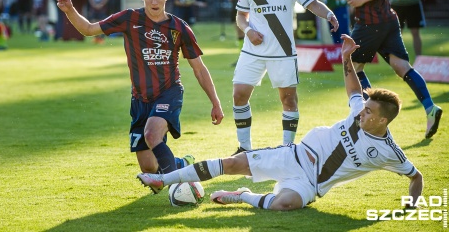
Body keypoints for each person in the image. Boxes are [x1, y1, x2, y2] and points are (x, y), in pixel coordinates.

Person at [138, 34, 424, 211]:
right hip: (294, 156)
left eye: (369, 112)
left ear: (384, 120)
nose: (362, 112)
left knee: (284, 204)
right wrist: (346, 58)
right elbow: (353, 90)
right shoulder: (358, 111)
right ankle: (161, 179)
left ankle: (243, 197)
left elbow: (416, 176)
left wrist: (411, 206)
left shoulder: (389, 151)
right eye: (364, 108)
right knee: (232, 163)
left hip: (309, 184)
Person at [56, 0, 224, 191]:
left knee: (152, 133)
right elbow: (88, 29)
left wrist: (215, 102)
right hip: (140, 100)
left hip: (169, 92)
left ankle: (179, 188)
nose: (154, 2)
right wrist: (70, 10)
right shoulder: (129, 18)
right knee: (149, 168)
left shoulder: (179, 27)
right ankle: (181, 165)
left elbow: (199, 69)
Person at [332, 0, 442, 139]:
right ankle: (430, 108)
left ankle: (369, 119)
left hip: (370, 23)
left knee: (352, 66)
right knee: (401, 67)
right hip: (387, 21)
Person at [232, 0, 339, 154]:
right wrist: (249, 30)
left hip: (282, 50)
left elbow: (312, 3)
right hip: (253, 49)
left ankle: (287, 148)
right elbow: (240, 17)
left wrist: (329, 15)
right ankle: (244, 149)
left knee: (288, 99)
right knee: (239, 94)